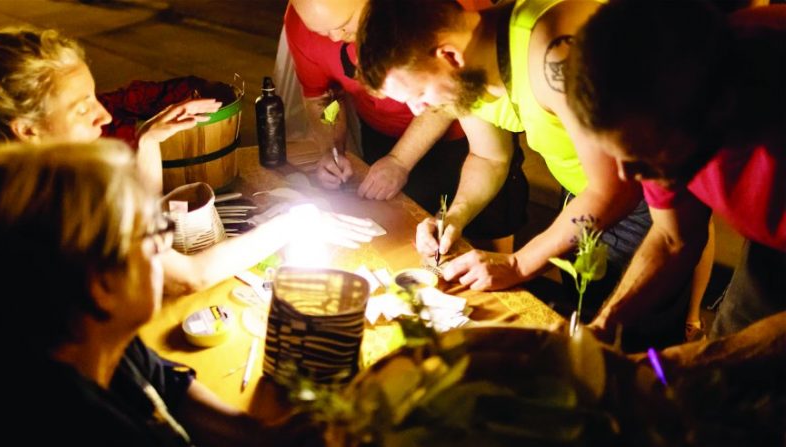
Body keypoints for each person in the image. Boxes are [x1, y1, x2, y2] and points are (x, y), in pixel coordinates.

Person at [356, 0, 714, 342]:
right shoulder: (468, 71)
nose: (419, 109)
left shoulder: (556, 50)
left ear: (448, 54)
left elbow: (615, 189)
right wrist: (454, 217)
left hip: (650, 199)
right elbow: (489, 158)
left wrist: (516, 264)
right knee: (584, 324)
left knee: (632, 345)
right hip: (582, 193)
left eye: (417, 93)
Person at [0, 26, 375, 296]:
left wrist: (149, 141)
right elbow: (188, 277)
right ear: (27, 129)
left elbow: (142, 218)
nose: (103, 117)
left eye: (95, 97)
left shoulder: (35, 175)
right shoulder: (48, 207)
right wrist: (296, 223)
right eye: (81, 108)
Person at [0, 140, 319, 446]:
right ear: (101, 285)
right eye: (154, 233)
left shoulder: (99, 341)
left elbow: (165, 385)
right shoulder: (81, 427)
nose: (164, 245)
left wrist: (260, 435)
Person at [563, 0, 785, 370]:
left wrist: (689, 360)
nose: (625, 176)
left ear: (720, 108)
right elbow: (672, 238)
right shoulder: (667, 99)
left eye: (644, 156)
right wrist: (601, 329)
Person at [285, 0, 528, 254]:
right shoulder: (304, 20)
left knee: (490, 234)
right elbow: (488, 157)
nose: (335, 37)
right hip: (390, 137)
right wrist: (331, 149)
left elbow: (450, 96)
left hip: (459, 143)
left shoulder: (522, 56)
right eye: (322, 32)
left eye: (344, 25)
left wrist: (400, 159)